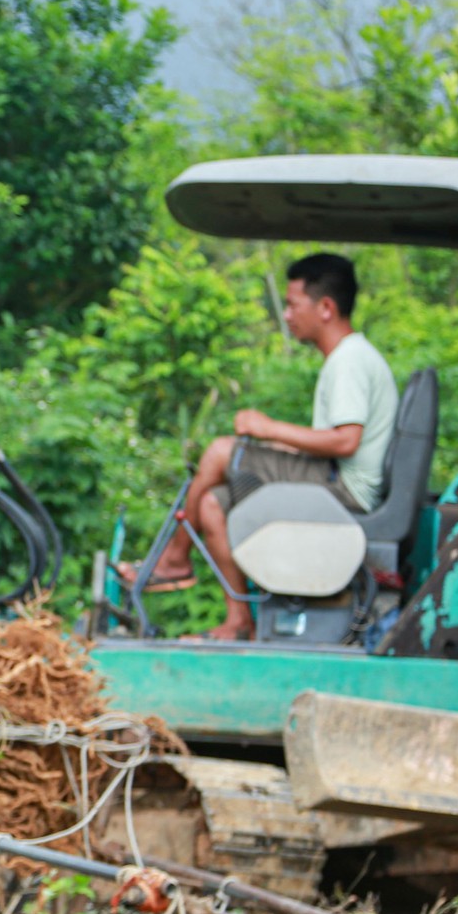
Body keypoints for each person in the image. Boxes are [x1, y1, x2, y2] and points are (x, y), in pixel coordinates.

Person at [139, 252, 399, 640]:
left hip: (346, 489)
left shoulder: (349, 361)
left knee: (221, 452)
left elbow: (346, 441)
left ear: (325, 307)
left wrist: (268, 428)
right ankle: (238, 620)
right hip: (331, 474)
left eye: (294, 305)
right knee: (213, 505)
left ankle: (176, 560)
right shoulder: (346, 359)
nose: (288, 315)